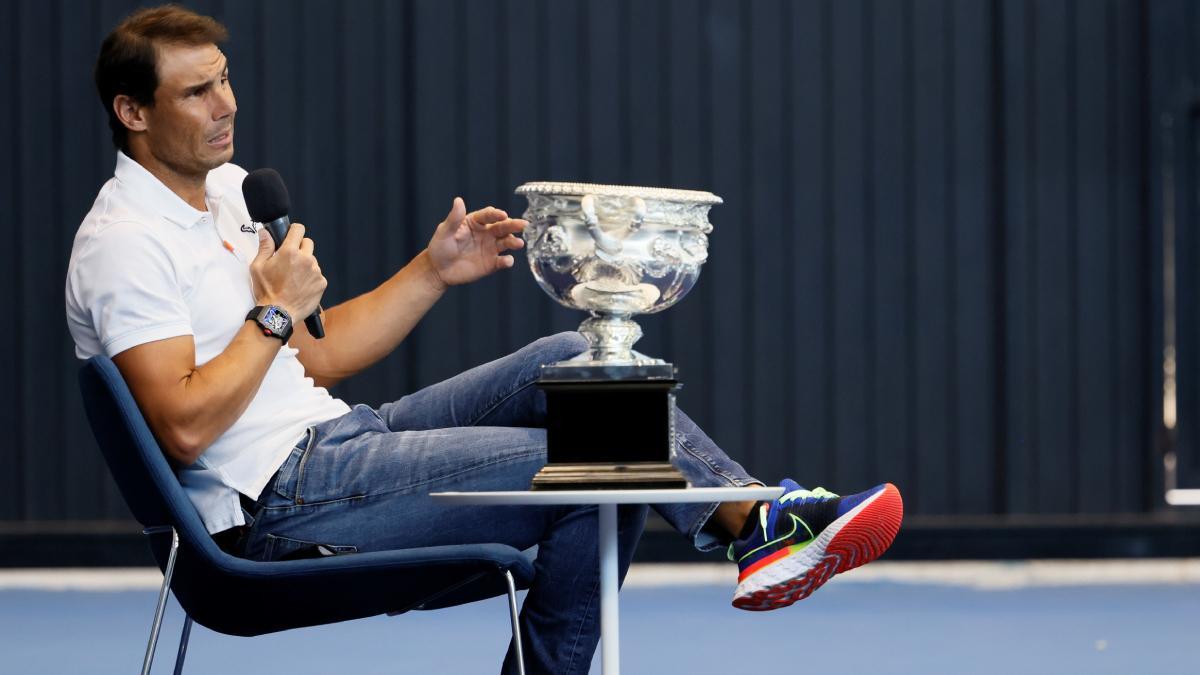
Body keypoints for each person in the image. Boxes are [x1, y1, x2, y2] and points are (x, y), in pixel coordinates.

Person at [66, 6, 903, 673]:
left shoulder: (224, 194)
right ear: (131, 112)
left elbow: (311, 359)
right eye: (195, 93)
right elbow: (182, 423)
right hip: (277, 503)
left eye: (224, 80)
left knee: (576, 363)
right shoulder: (123, 243)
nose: (227, 105)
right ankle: (757, 522)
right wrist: (275, 312)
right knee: (593, 464)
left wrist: (431, 271)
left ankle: (750, 516)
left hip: (340, 438)